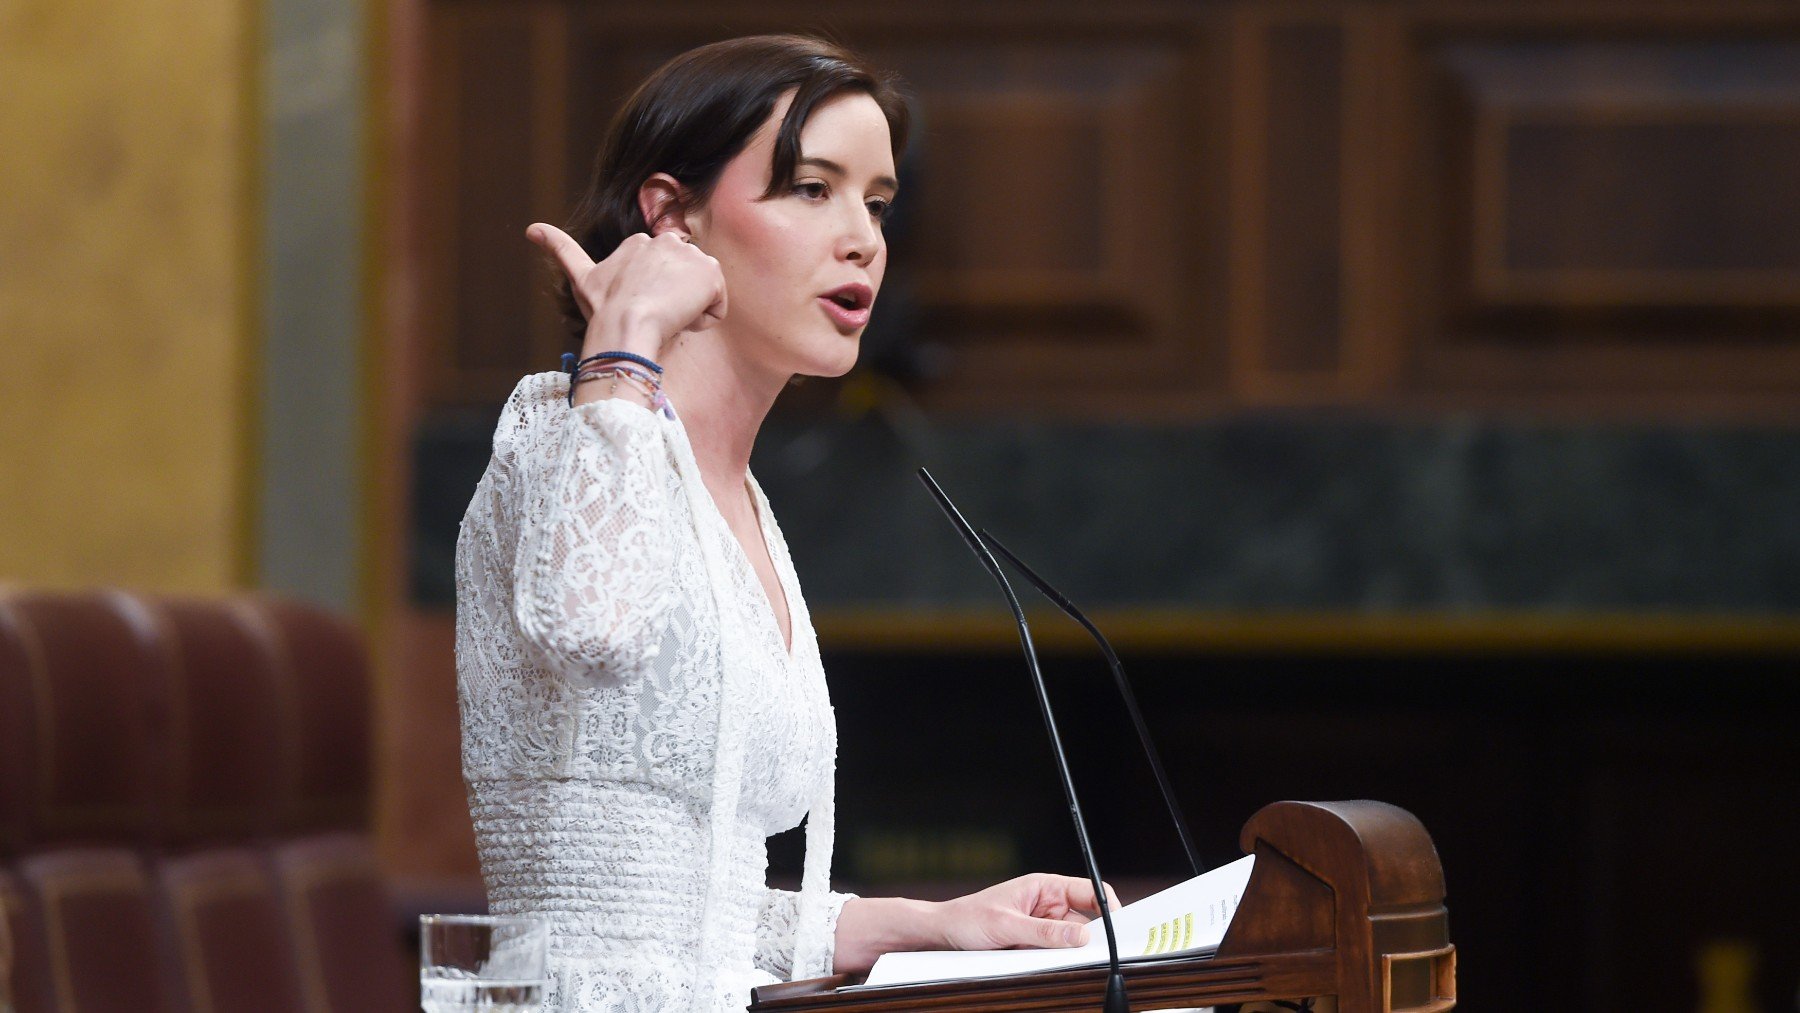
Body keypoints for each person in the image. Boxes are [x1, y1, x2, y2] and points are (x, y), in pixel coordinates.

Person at [454, 34, 1118, 1013]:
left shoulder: (745, 501)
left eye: (878, 201)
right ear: (671, 215)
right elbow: (592, 630)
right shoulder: (565, 429)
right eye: (812, 188)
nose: (863, 238)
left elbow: (698, 915)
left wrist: (933, 920)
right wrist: (626, 342)